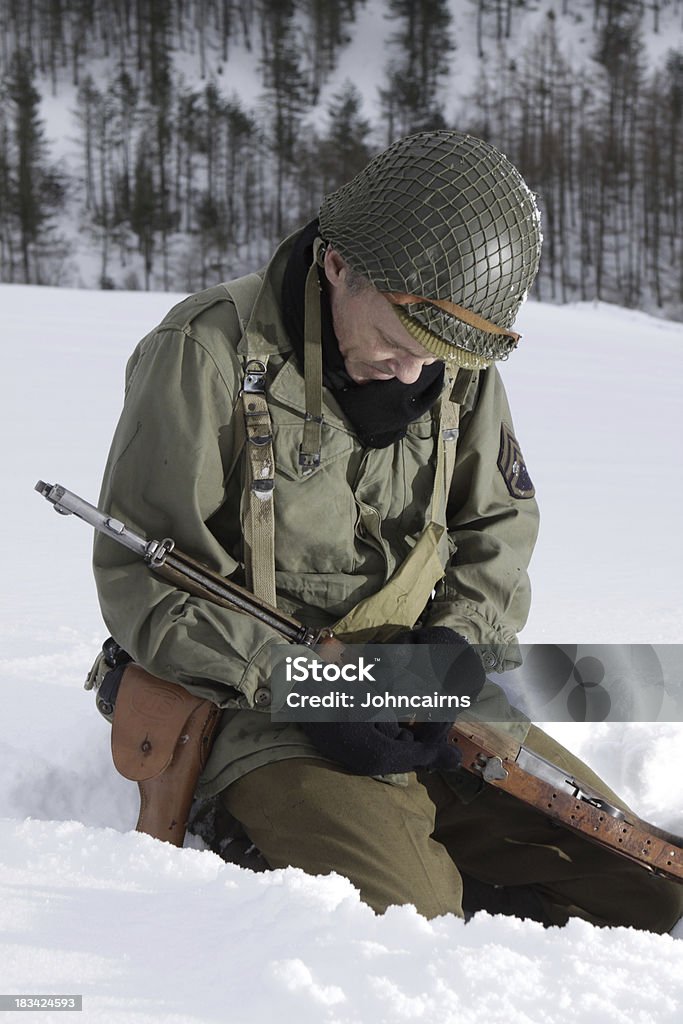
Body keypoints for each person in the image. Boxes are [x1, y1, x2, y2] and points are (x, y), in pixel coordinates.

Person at [92, 131, 682, 931]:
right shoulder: (207, 354)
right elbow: (147, 587)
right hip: (265, 703)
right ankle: (259, 838)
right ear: (337, 266)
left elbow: (499, 525)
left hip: (416, 684)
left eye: (434, 360)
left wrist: (447, 651)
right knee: (414, 923)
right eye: (401, 346)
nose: (413, 375)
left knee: (648, 883)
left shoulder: (452, 362)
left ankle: (479, 885)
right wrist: (310, 685)